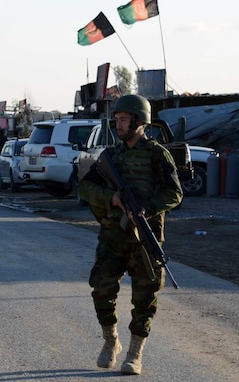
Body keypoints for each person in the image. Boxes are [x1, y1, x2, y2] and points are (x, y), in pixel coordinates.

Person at [77, 94, 183, 375]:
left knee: (145, 296)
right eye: (116, 120)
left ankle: (135, 352)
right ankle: (111, 341)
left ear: (139, 121)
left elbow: (175, 193)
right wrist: (111, 198)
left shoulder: (157, 154)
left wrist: (147, 209)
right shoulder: (109, 157)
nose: (118, 125)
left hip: (145, 240)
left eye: (123, 120)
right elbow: (84, 188)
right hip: (113, 236)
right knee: (101, 288)